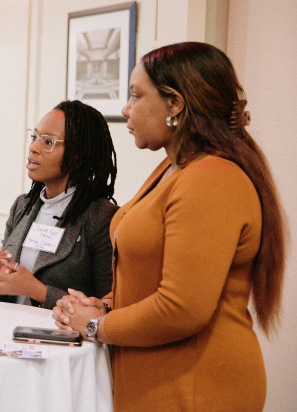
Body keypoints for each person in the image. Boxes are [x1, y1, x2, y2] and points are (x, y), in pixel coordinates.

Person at [52, 42, 286, 412]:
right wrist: (106, 306)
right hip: (158, 377)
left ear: (175, 104)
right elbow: (154, 275)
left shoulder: (211, 178)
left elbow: (182, 308)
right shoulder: (174, 167)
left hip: (197, 387)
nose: (126, 109)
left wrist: (97, 326)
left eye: (135, 95)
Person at [0, 101, 118, 310]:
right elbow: (5, 293)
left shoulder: (101, 217)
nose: (34, 148)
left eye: (48, 142)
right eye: (34, 137)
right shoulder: (22, 206)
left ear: (77, 156)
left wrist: (38, 291)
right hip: (12, 332)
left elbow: (108, 308)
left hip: (64, 339)